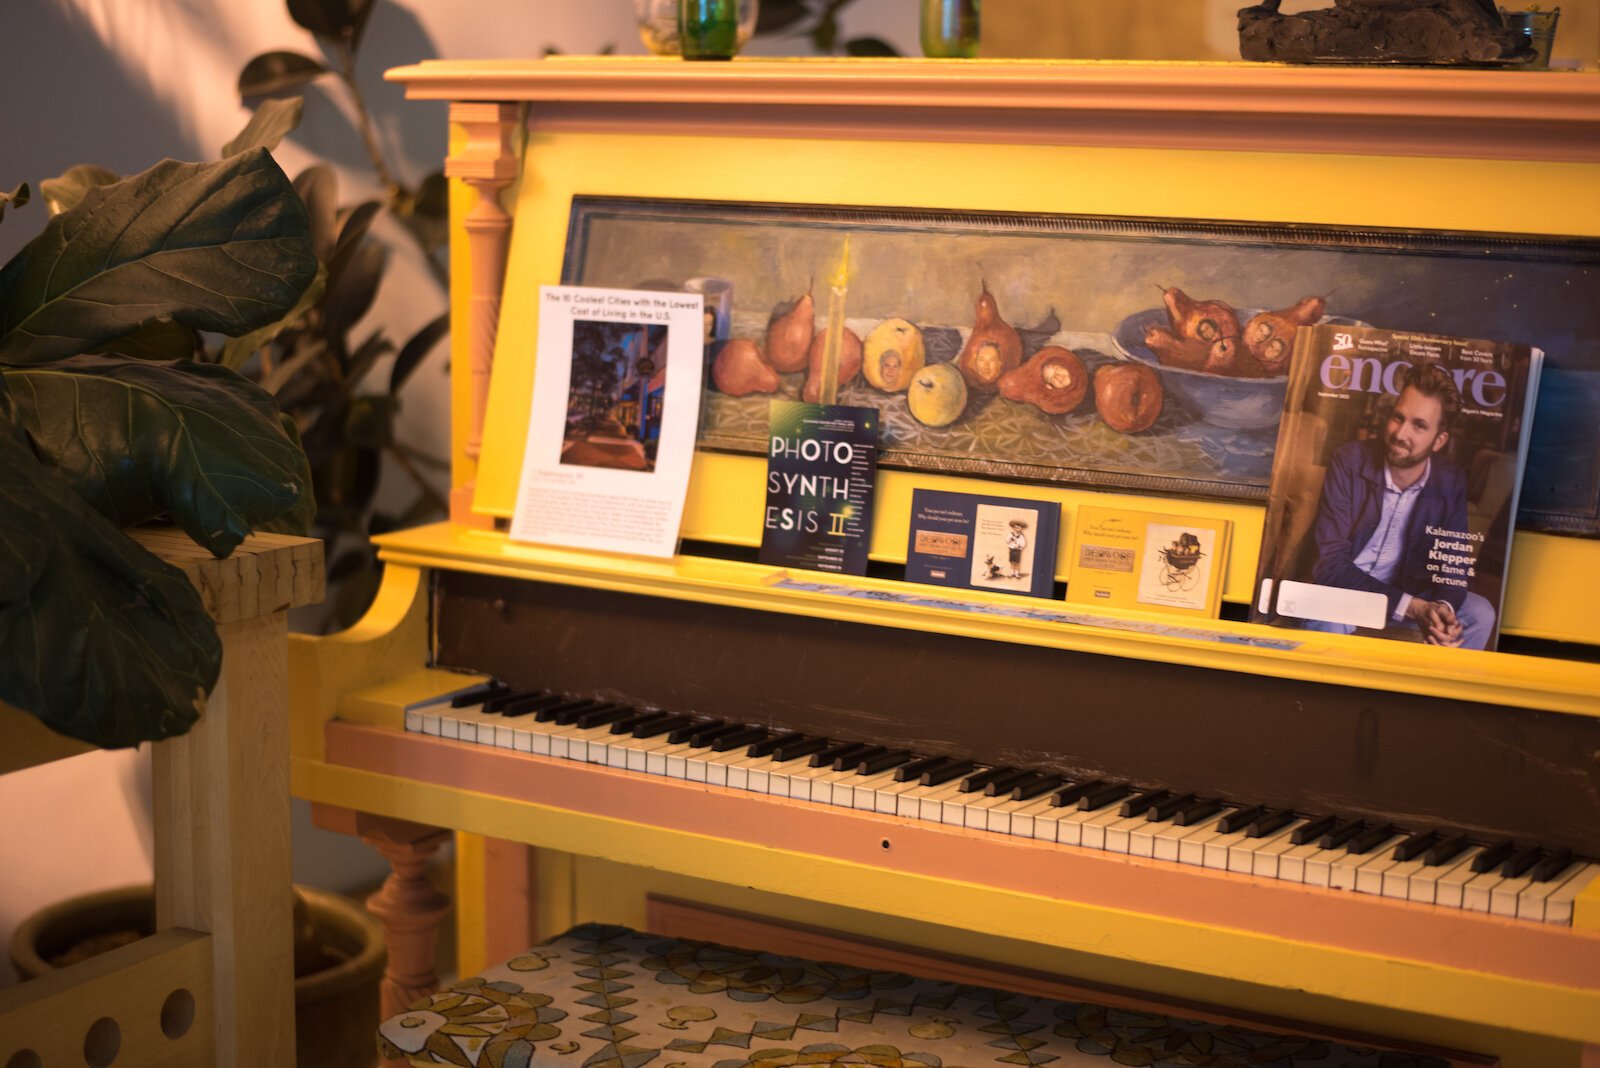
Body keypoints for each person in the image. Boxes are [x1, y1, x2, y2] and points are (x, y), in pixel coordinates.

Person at [1302, 362, 1495, 649]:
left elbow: (1453, 563)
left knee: (1480, 613)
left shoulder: (1450, 479)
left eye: (1419, 425)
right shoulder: (1349, 460)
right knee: (1325, 616)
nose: (1400, 434)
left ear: (1439, 440)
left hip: (1408, 593)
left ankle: (1433, 691)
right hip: (1349, 592)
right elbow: (1329, 564)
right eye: (1398, 417)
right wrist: (1413, 607)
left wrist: (1443, 610)